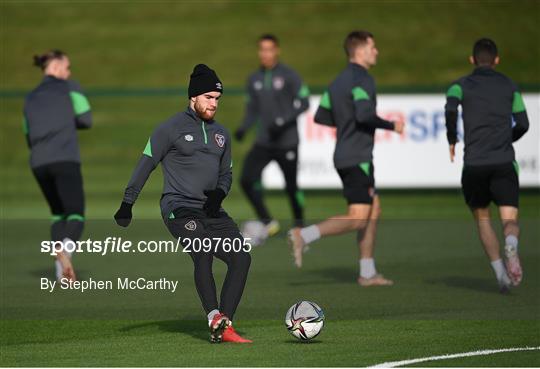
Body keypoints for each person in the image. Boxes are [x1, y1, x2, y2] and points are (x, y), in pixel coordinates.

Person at [114, 64, 252, 343]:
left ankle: (223, 326)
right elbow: (146, 164)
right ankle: (213, 316)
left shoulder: (222, 134)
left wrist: (219, 194)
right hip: (179, 208)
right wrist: (128, 203)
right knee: (202, 252)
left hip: (212, 210)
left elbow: (226, 174)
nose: (214, 104)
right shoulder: (170, 128)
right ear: (193, 97)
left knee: (241, 257)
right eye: (208, 98)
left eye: (217, 99)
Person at [287, 31, 404, 286]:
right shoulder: (363, 79)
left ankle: (367, 272)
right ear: (360, 51)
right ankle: (304, 235)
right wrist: (391, 125)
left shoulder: (338, 81)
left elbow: (322, 116)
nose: (377, 52)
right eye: (373, 47)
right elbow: (364, 115)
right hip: (357, 156)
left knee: (373, 210)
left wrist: (346, 123)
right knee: (359, 216)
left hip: (346, 153)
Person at [445, 38, 529, 293]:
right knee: (509, 219)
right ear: (497, 60)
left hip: (475, 164)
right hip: (504, 161)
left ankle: (501, 276)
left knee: (483, 219)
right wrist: (506, 139)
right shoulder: (510, 86)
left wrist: (452, 139)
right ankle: (511, 244)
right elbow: (523, 124)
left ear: (472, 60)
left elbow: (450, 109)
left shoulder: (459, 85)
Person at [24, 50, 92, 282]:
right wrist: (65, 121)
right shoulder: (69, 87)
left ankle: (60, 273)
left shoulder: (30, 97)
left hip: (39, 163)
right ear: (55, 67)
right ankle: (65, 251)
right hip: (64, 158)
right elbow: (85, 118)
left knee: (57, 215)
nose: (69, 71)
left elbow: (27, 133)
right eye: (67, 66)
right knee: (75, 214)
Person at [235, 34, 310, 235]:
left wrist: (283, 121)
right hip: (264, 141)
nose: (265, 54)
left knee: (291, 186)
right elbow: (252, 110)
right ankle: (267, 221)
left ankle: (300, 226)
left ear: (277, 50)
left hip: (287, 141)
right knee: (246, 179)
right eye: (262, 49)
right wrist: (244, 127)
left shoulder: (289, 75)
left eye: (269, 49)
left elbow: (304, 103)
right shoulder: (254, 79)